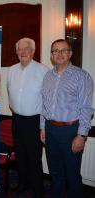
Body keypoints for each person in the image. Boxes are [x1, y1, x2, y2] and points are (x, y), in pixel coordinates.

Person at [40, 39, 94, 198]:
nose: (59, 54)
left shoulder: (82, 76)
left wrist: (82, 136)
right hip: (50, 129)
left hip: (71, 131)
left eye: (63, 50)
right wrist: (43, 127)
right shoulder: (47, 76)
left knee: (72, 175)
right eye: (55, 50)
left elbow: (86, 108)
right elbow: (44, 104)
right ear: (51, 55)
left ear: (70, 53)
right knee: (55, 173)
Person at [7, 37, 49, 197]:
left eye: (27, 49)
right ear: (16, 52)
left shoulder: (43, 70)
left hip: (34, 121)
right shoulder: (11, 70)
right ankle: (23, 184)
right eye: (20, 49)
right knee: (20, 155)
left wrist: (43, 125)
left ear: (33, 51)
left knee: (34, 157)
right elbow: (10, 92)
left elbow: (47, 99)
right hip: (16, 119)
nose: (23, 52)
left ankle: (39, 189)